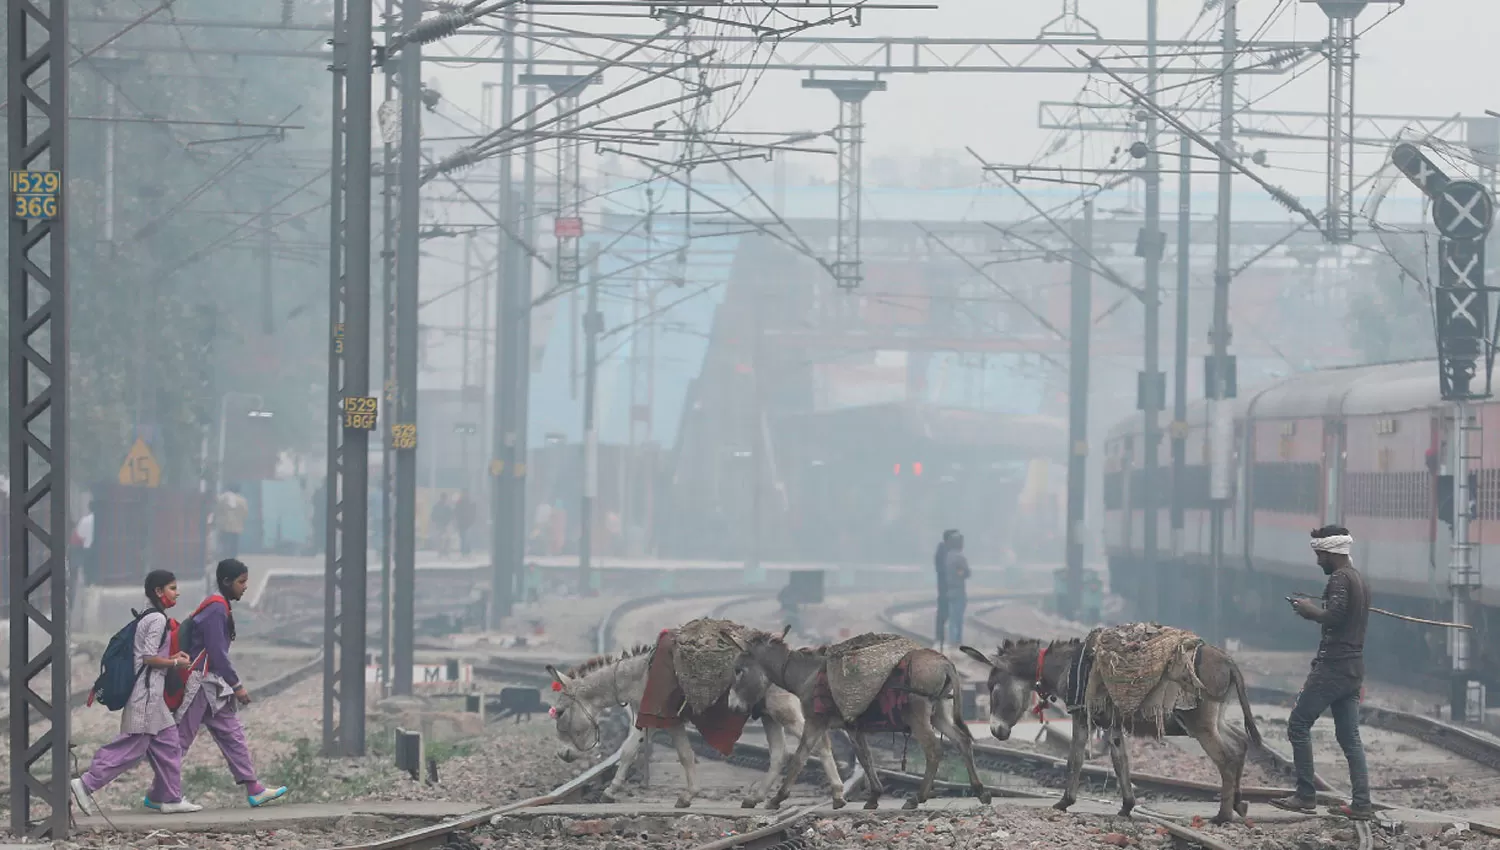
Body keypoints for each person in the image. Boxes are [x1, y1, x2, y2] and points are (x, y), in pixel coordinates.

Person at [71, 571, 203, 816]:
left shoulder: (149, 617)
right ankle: (86, 784)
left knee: (169, 745)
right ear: (158, 592)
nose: (177, 593)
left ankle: (171, 797)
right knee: (132, 748)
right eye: (172, 588)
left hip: (153, 698)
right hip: (146, 696)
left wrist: (172, 657)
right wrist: (174, 664)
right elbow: (148, 658)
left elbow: (149, 655)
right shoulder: (157, 620)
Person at [167, 559, 288, 809]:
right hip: (200, 683)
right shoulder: (216, 609)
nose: (245, 587)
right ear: (226, 582)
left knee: (232, 734)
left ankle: (254, 788)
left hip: (212, 685)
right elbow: (217, 653)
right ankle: (162, 792)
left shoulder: (218, 606)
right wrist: (237, 685)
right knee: (181, 740)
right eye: (241, 582)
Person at [1269, 526, 1372, 820]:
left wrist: (1308, 610)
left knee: (1298, 725)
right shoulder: (1359, 580)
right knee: (1349, 738)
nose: (1318, 561)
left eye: (1319, 555)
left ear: (1331, 553)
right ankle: (1362, 804)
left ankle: (1304, 795)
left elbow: (1335, 617)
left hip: (1333, 668)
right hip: (1353, 669)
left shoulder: (1340, 578)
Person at [943, 532, 972, 647]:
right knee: (958, 617)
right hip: (959, 590)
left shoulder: (947, 556)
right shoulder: (960, 557)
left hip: (949, 590)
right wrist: (962, 573)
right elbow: (966, 572)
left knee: (952, 616)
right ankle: (956, 640)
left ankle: (952, 639)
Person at [933, 530, 957, 646]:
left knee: (946, 612)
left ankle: (941, 638)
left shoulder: (946, 550)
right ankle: (940, 638)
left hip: (948, 587)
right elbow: (943, 569)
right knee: (944, 612)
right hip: (945, 587)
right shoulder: (943, 551)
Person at [215, 484, 249, 559]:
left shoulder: (223, 497)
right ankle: (233, 556)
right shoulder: (242, 500)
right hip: (237, 526)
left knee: (224, 541)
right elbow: (245, 513)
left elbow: (217, 510)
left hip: (225, 525)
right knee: (234, 542)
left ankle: (224, 556)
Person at [454, 492, 477, 557]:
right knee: (464, 537)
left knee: (464, 537)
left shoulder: (462, 503)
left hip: (465, 524)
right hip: (465, 524)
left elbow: (456, 512)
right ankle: (466, 550)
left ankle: (465, 550)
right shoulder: (469, 503)